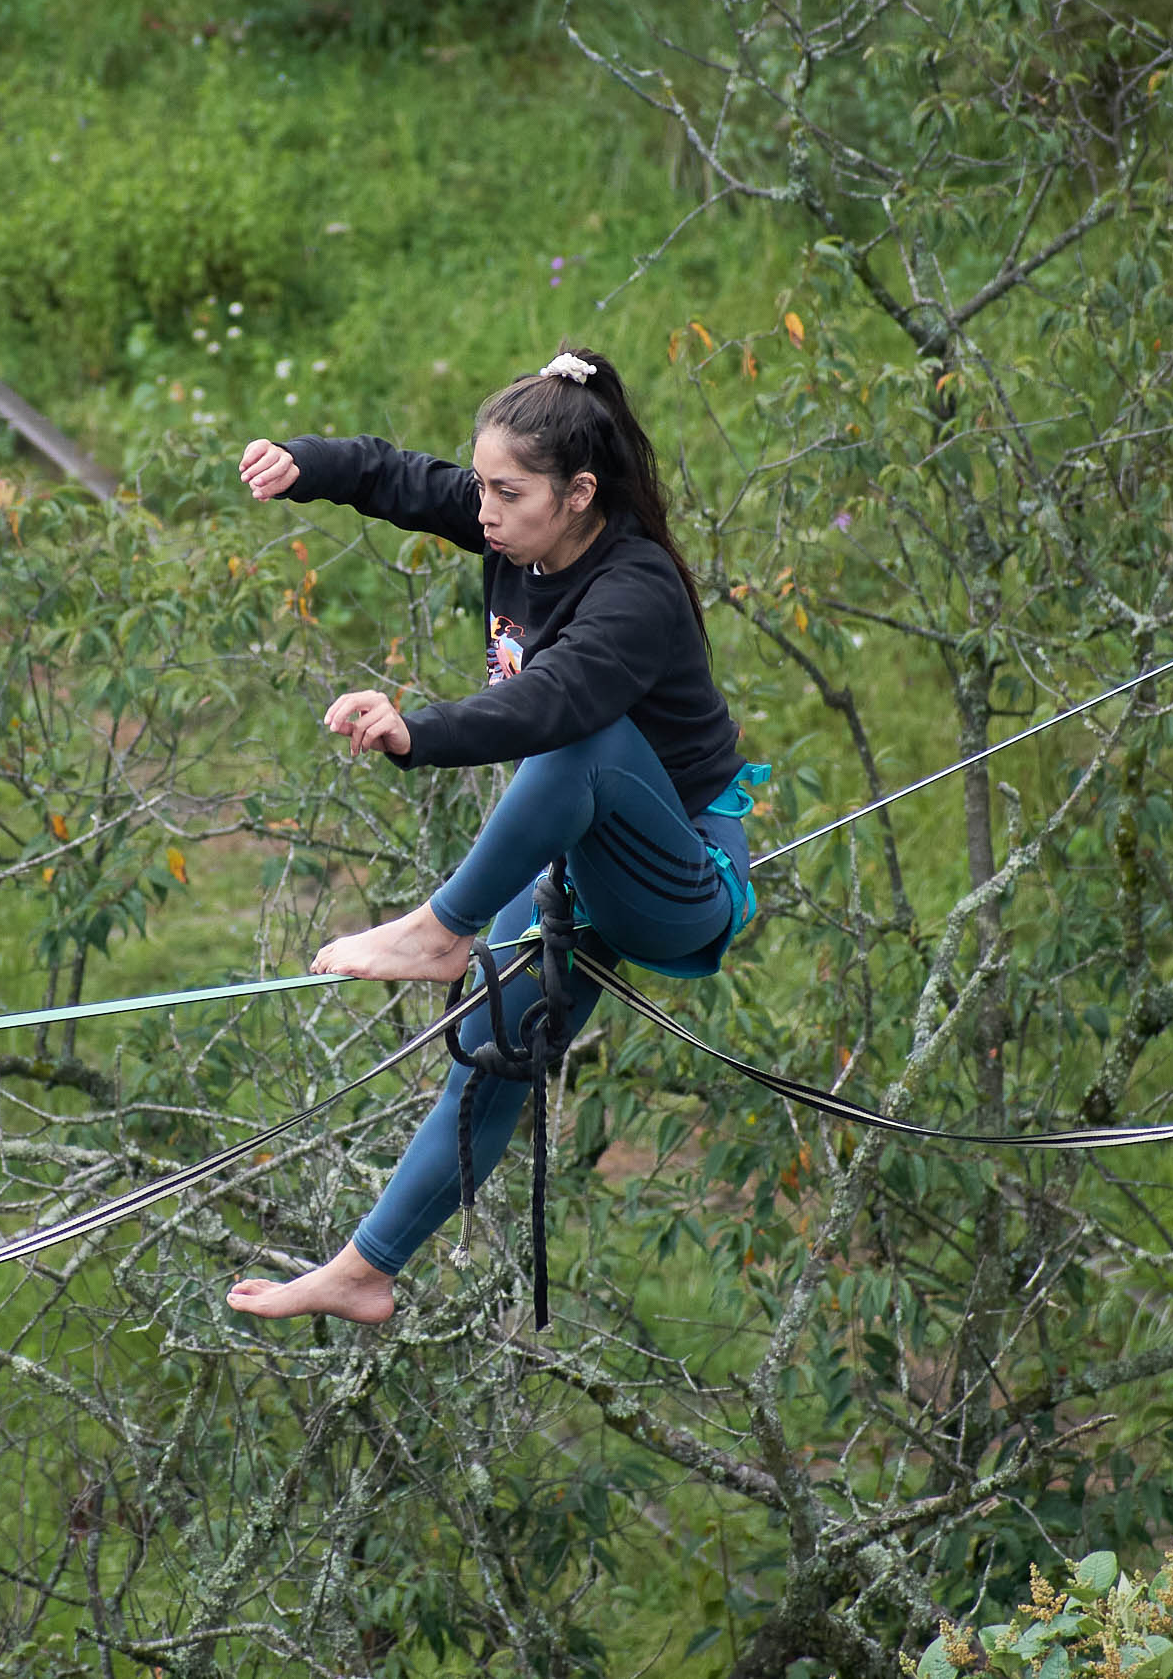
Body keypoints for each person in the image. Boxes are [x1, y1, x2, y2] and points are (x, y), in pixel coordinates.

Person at [225, 349, 767, 1325]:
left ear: (578, 494)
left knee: (584, 741)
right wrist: (306, 463)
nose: (483, 510)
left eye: (507, 492)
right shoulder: (514, 530)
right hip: (582, 863)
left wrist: (415, 730)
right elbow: (399, 477)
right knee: (490, 1048)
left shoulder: (635, 590)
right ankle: (366, 1270)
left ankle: (441, 931)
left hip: (683, 880)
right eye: (481, 485)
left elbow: (553, 703)